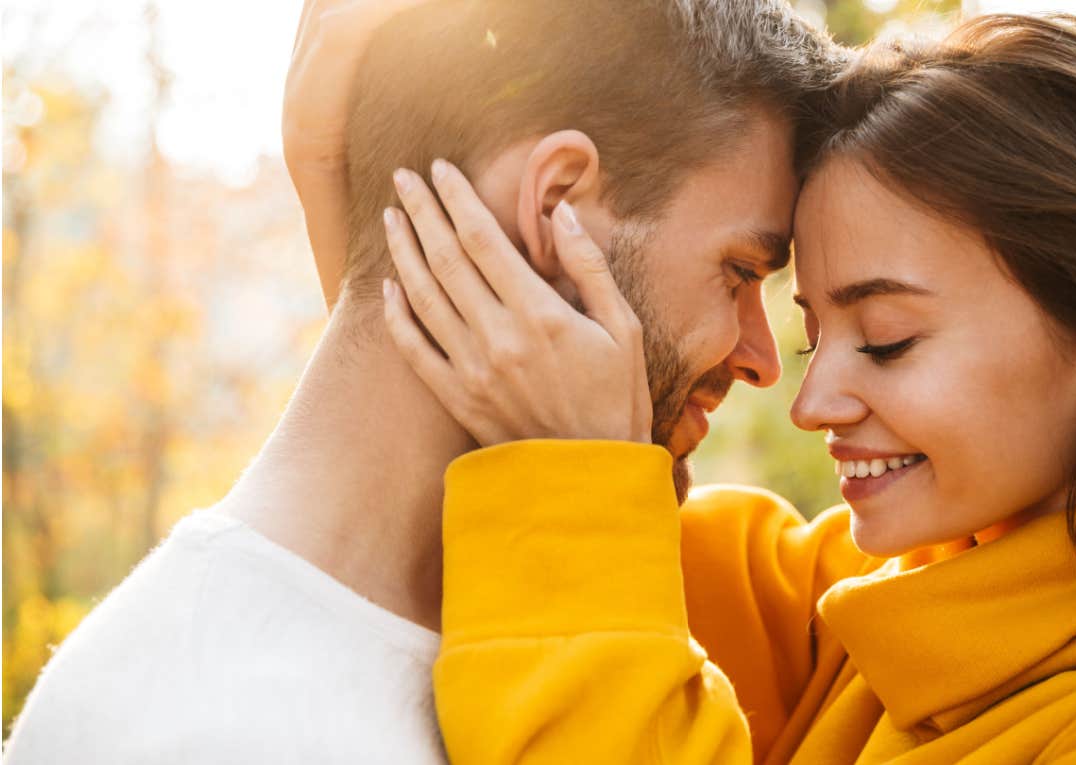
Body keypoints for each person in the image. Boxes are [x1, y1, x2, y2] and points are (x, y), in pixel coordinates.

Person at [380, 13, 1076, 764]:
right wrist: (369, 202)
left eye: (886, 340)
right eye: (816, 338)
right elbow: (521, 565)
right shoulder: (867, 597)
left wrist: (570, 475)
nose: (812, 405)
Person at [1, 2, 841, 762]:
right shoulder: (212, 728)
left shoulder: (584, 607)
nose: (766, 361)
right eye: (738, 271)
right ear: (556, 208)